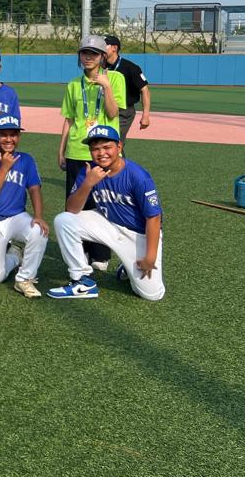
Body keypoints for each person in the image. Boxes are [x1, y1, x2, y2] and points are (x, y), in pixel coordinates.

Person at [50, 125, 165, 301]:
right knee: (63, 220)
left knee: (152, 295)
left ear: (119, 147)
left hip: (138, 235)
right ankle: (81, 280)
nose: (101, 153)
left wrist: (149, 257)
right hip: (108, 224)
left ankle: (128, 266)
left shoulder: (137, 176)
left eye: (106, 147)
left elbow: (154, 218)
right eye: (95, 149)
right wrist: (88, 183)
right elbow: (71, 209)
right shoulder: (90, 171)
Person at [57, 35, 126, 272]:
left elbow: (113, 113)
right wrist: (61, 149)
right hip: (77, 150)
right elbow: (69, 119)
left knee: (103, 202)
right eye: (84, 53)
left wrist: (106, 86)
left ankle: (101, 253)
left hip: (103, 152)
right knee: (78, 203)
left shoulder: (116, 79)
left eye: (93, 54)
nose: (88, 58)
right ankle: (81, 251)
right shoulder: (73, 84)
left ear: (103, 57)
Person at [0, 115, 48, 298]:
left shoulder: (26, 160)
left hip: (16, 217)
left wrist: (38, 216)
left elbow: (34, 189)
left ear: (18, 137)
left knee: (39, 231)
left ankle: (24, 279)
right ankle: (15, 255)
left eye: (13, 134)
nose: (8, 139)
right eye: (3, 134)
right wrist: (4, 168)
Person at [102, 35, 152, 140]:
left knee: (113, 141)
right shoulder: (100, 66)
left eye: (104, 45)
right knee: (99, 141)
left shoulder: (131, 68)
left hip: (123, 112)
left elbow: (145, 90)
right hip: (103, 108)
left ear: (114, 48)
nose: (100, 48)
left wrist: (146, 115)